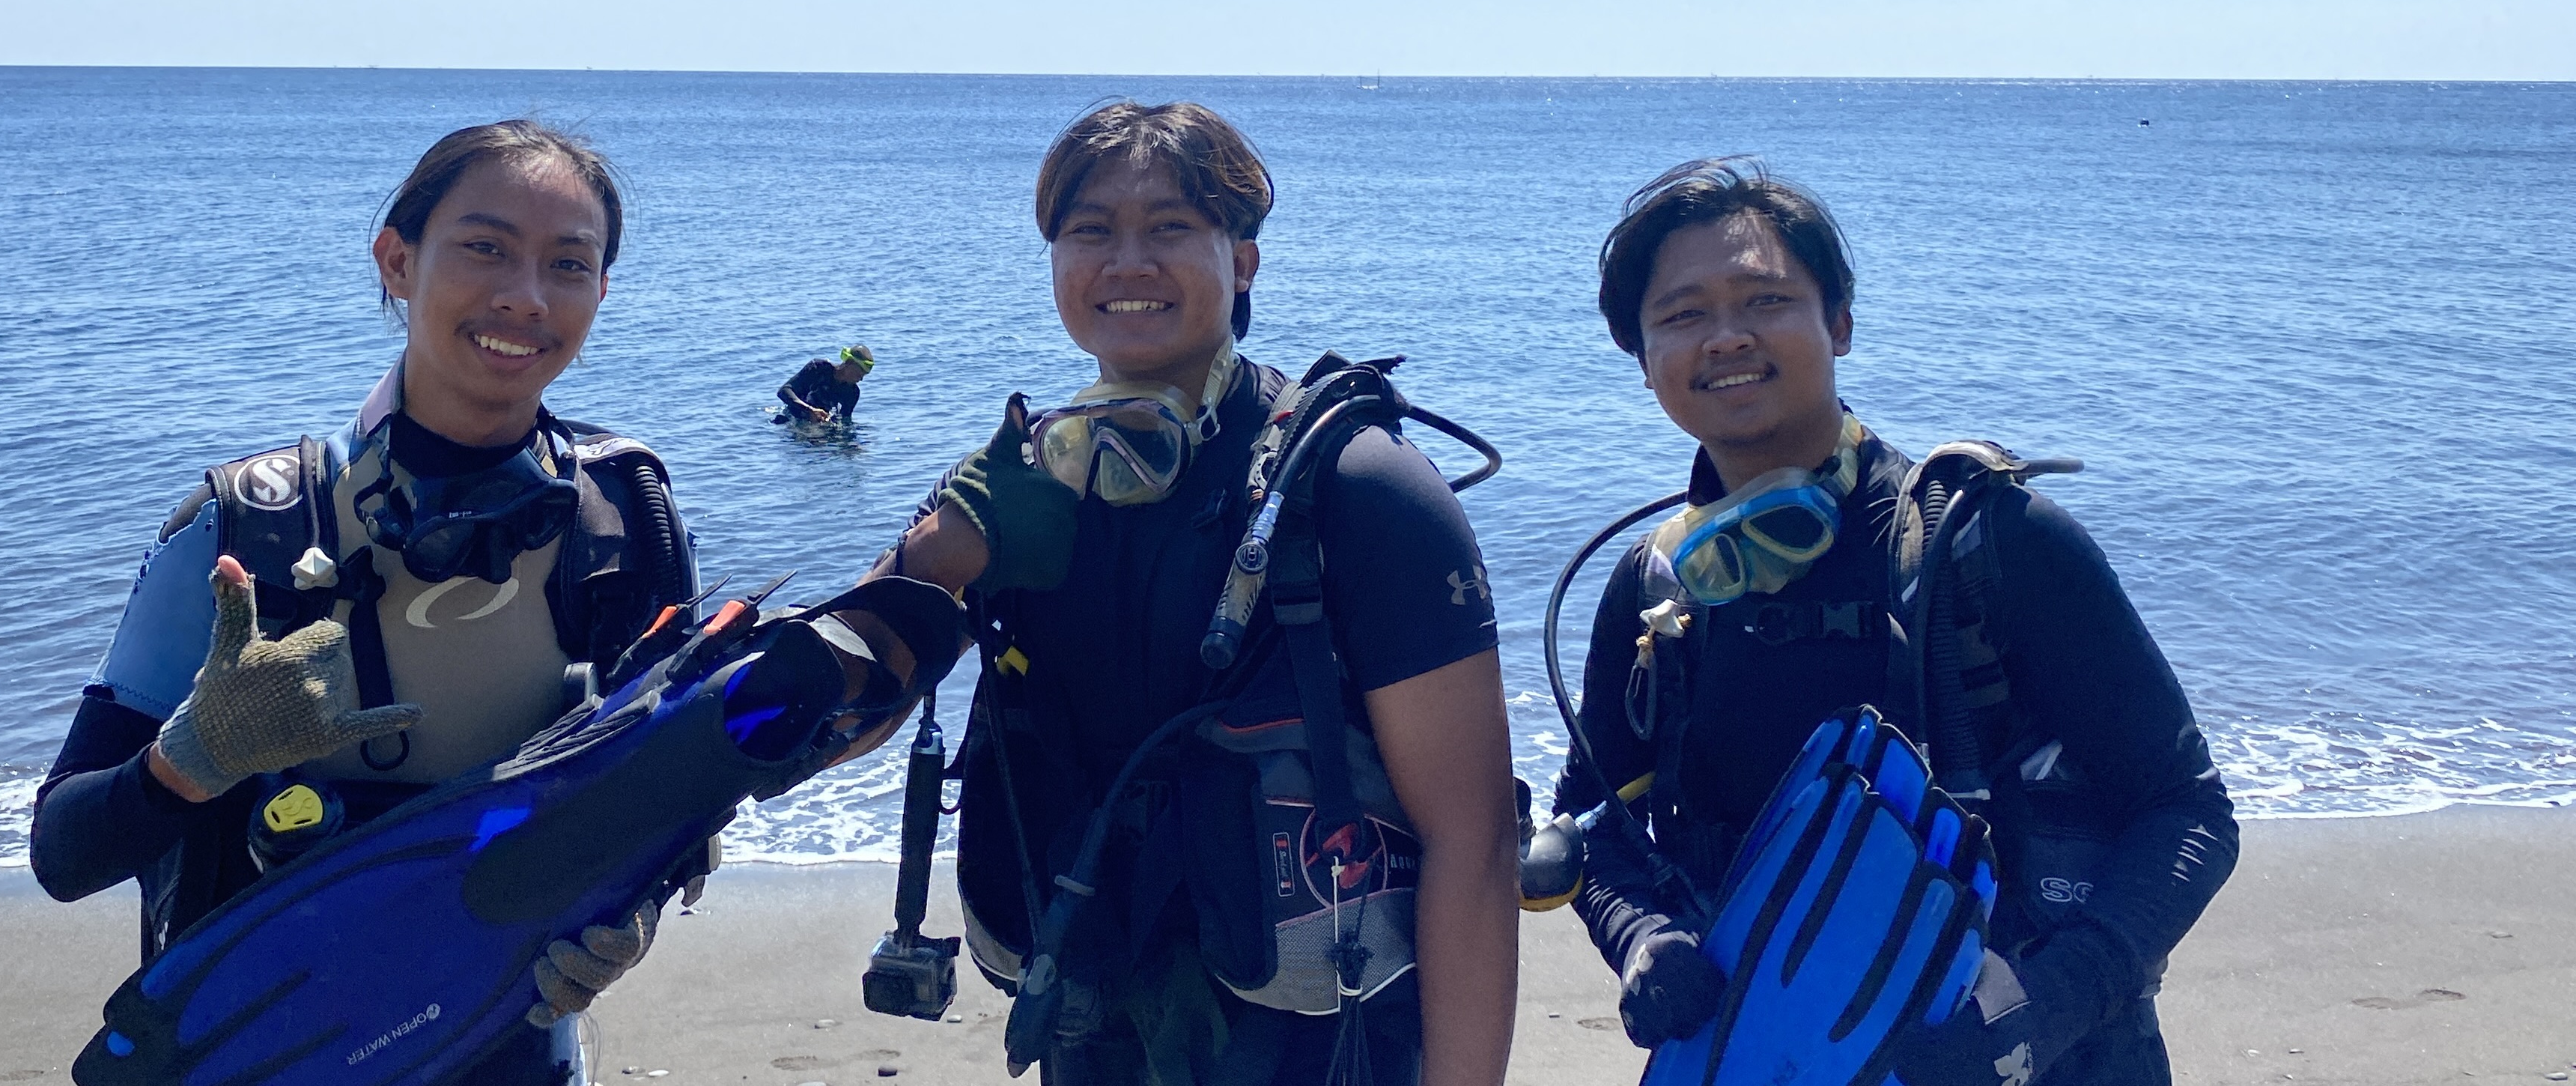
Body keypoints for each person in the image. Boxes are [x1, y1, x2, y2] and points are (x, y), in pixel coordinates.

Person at [849, 100, 1519, 1086]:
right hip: (1096, 1030)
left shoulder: (1358, 486)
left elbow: (1478, 840)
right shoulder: (1013, 488)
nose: (1128, 264)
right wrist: (930, 563)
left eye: (1170, 228)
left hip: (1327, 1049)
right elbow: (839, 723)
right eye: (1091, 231)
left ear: (1241, 258)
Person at [31, 120, 704, 1085]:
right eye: (485, 247)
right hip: (257, 1051)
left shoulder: (622, 520)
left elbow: (680, 794)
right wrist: (191, 762)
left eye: (569, 263)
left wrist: (633, 915)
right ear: (397, 260)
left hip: (512, 1048)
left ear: (601, 293)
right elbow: (63, 853)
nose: (525, 294)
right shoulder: (245, 528)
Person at [1552, 159, 2238, 1086]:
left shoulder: (1989, 541)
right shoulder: (1656, 587)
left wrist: (2049, 1008)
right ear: (1641, 358)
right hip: (1766, 1056)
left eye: (1765, 299)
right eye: (1681, 315)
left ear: (1838, 322)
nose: (1726, 337)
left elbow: (2187, 810)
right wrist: (1641, 938)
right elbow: (1594, 823)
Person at [777, 344, 875, 426]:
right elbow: (784, 391)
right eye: (858, 374)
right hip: (792, 417)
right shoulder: (818, 369)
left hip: (818, 427)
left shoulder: (852, 393)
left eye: (863, 376)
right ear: (848, 363)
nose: (861, 379)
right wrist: (810, 410)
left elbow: (845, 422)